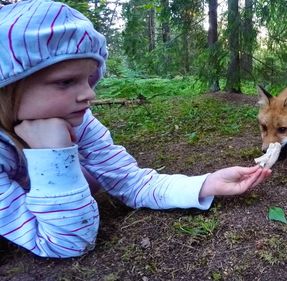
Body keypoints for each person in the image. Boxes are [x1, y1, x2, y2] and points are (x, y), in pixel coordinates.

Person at [0, 0, 271, 258]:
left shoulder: (78, 122)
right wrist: (55, 154)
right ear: (8, 85)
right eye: (65, 82)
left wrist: (205, 184)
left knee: (91, 177)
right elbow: (70, 243)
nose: (89, 94)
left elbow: (131, 181)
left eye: (89, 79)